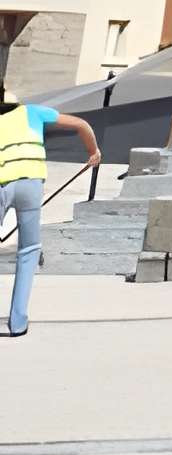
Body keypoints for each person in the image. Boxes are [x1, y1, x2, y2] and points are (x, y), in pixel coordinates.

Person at [0, 80, 102, 337]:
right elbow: (81, 124)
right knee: (29, 250)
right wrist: (94, 151)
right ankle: (18, 323)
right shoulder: (32, 112)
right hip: (31, 184)